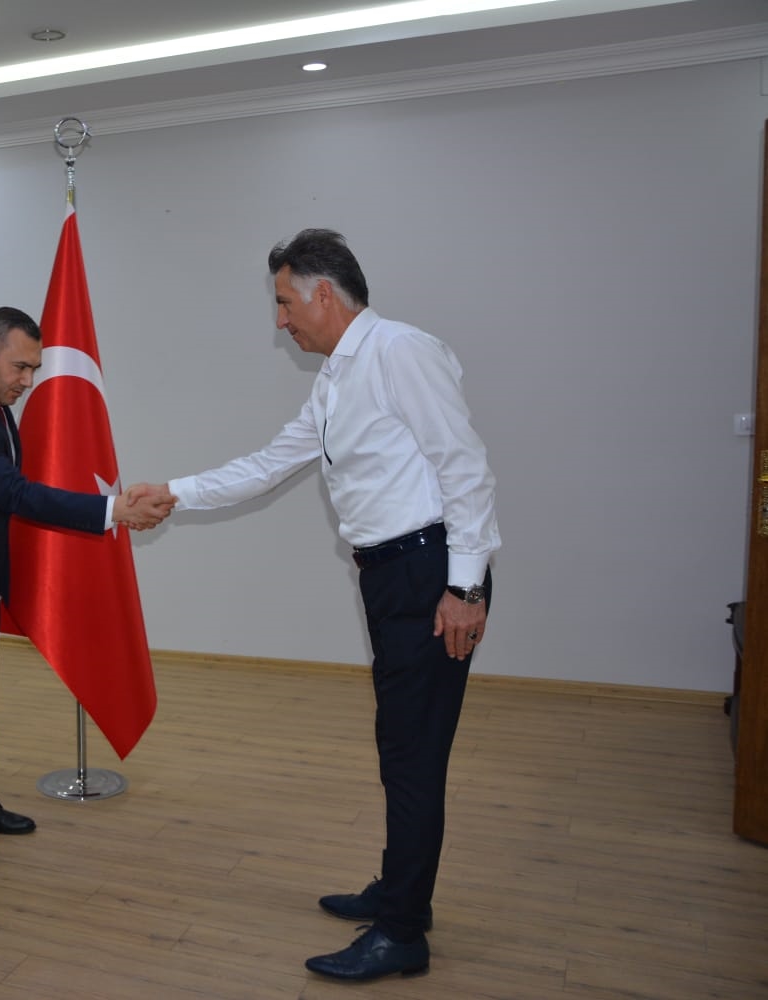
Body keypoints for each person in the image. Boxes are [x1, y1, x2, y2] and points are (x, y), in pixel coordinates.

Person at [130, 228, 499, 982]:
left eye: (284, 303)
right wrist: (175, 491)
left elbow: (466, 468)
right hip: (393, 577)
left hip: (430, 575)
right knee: (400, 745)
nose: (280, 321)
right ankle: (402, 893)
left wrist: (464, 587)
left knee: (413, 754)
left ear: (323, 293)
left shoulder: (399, 351)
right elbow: (272, 463)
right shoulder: (336, 376)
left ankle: (402, 934)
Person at [0, 307, 175, 870]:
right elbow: (15, 493)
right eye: (20, 367)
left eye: (34, 369)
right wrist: (111, 510)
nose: (28, 380)